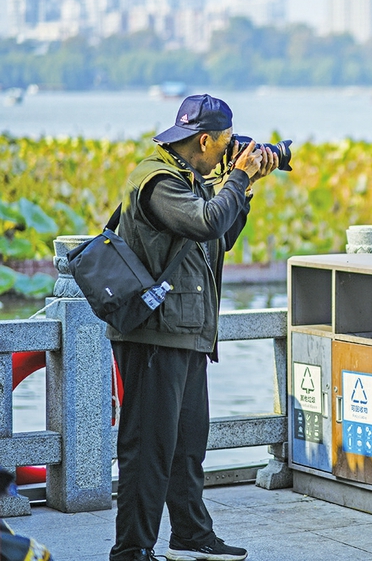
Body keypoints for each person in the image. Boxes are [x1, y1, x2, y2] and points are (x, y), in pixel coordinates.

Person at [107, 94, 278, 561]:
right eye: (225, 145)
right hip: (152, 336)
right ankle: (131, 551)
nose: (229, 153)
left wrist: (240, 187)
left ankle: (191, 535)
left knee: (186, 446)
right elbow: (205, 222)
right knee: (148, 450)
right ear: (204, 139)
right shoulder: (158, 180)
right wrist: (238, 175)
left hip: (186, 332)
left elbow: (219, 237)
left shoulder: (192, 179)